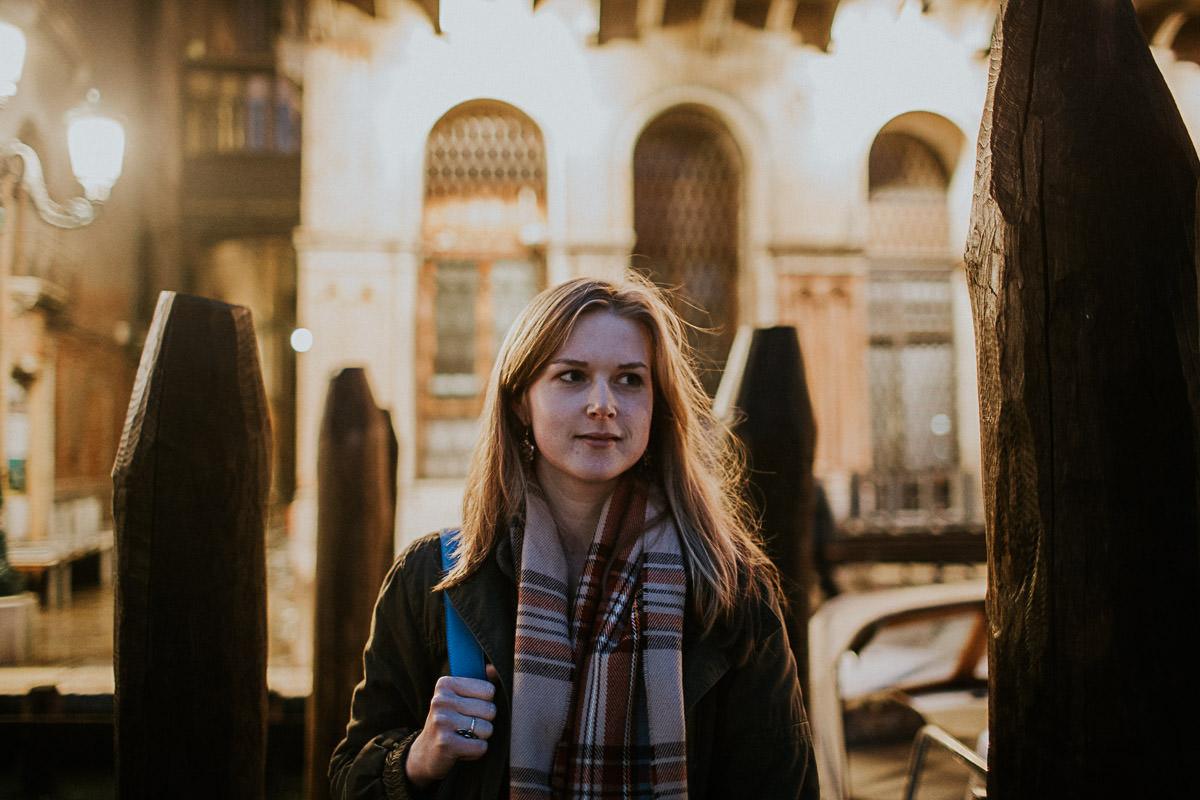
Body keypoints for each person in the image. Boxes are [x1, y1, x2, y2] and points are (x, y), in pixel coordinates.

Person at [329, 274, 819, 799]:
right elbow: (347, 779)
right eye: (572, 376)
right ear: (521, 401)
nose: (602, 404)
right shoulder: (435, 578)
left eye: (630, 380)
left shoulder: (727, 587)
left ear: (657, 406)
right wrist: (417, 758)